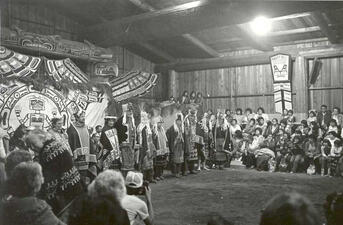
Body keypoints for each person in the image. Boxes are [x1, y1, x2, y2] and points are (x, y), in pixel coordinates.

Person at [25, 129, 83, 215]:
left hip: (65, 190)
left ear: (42, 138)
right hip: (73, 185)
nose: (32, 148)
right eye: (30, 146)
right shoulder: (52, 144)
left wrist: (41, 194)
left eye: (33, 144)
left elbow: (50, 178)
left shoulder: (49, 150)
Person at [0, 162, 65, 225]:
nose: (43, 180)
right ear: (34, 182)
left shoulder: (6, 202)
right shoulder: (38, 207)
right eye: (41, 177)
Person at [67, 111, 97, 183]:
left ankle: (84, 190)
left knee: (84, 175)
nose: (84, 118)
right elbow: (70, 141)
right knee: (76, 176)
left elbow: (89, 140)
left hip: (86, 156)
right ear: (77, 118)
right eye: (82, 116)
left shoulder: (86, 127)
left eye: (84, 116)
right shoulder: (71, 128)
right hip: (76, 157)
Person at [115, 103, 137, 176]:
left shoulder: (132, 120)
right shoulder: (120, 121)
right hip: (123, 145)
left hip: (131, 145)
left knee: (131, 160)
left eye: (131, 111)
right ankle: (124, 176)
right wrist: (121, 142)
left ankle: (129, 175)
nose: (130, 113)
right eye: (128, 111)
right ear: (125, 112)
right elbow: (117, 133)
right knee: (124, 161)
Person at [184, 109, 204, 174]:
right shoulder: (185, 122)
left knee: (193, 155)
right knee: (187, 155)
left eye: (193, 116)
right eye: (191, 116)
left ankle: (191, 169)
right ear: (188, 116)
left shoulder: (196, 123)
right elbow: (185, 132)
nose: (192, 117)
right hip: (187, 140)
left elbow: (198, 131)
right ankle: (185, 169)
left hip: (194, 140)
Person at [137, 111, 156, 183]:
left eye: (146, 118)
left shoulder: (148, 126)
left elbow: (150, 137)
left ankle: (150, 178)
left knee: (150, 163)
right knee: (144, 163)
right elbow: (140, 139)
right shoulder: (140, 127)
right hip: (144, 147)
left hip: (150, 146)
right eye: (143, 118)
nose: (145, 119)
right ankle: (144, 179)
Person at [166, 113, 185, 178]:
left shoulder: (182, 128)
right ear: (176, 121)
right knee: (175, 160)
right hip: (175, 146)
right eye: (178, 121)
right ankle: (174, 172)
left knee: (180, 160)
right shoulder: (172, 128)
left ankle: (178, 172)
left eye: (180, 121)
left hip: (180, 146)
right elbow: (169, 136)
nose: (179, 122)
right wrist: (175, 140)